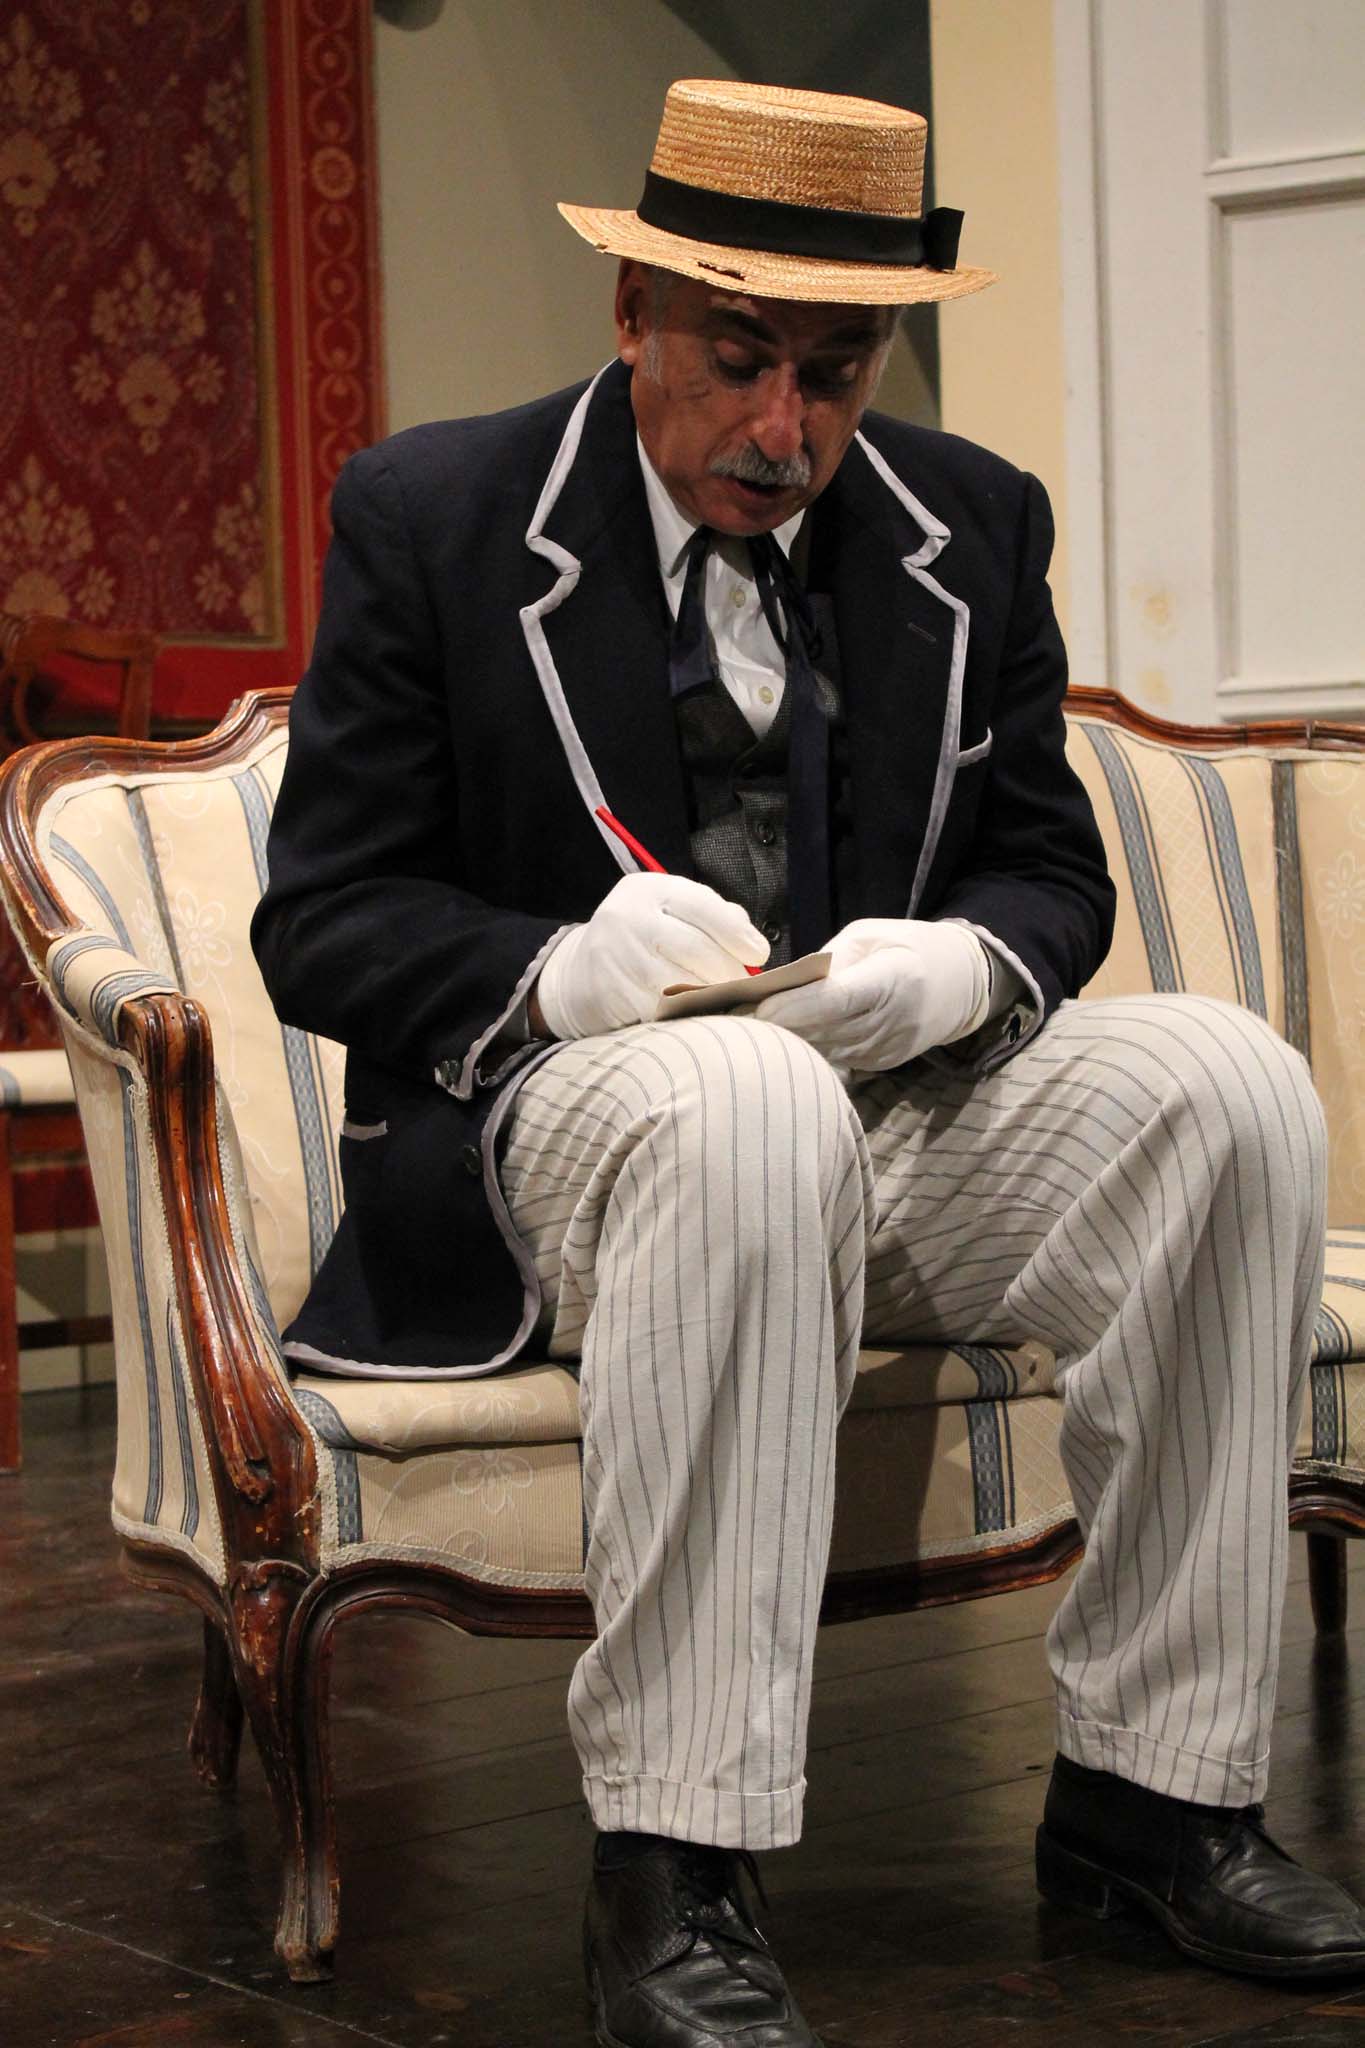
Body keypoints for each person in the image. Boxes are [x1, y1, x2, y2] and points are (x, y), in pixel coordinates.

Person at [253, 78, 1365, 2048]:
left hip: (874, 1125)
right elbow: (322, 917)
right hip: (563, 1135)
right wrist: (553, 968)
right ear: (634, 315)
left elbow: (1046, 869)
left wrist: (963, 964)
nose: (784, 430)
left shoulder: (965, 523)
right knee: (744, 1102)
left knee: (1225, 1089)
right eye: (738, 359)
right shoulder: (434, 517)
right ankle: (673, 1864)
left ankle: (1157, 1795)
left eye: (834, 374)